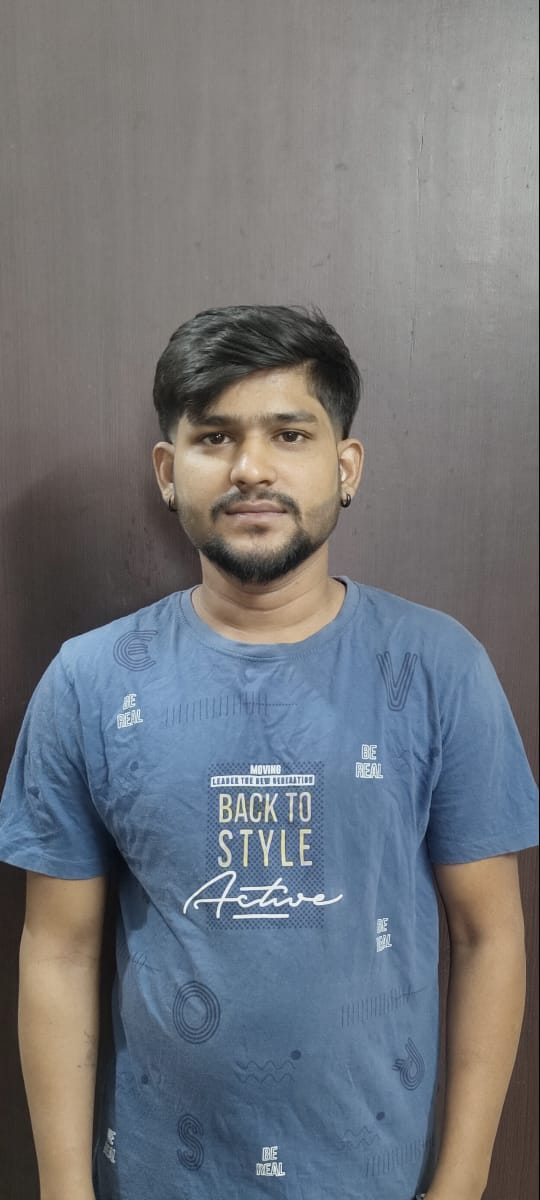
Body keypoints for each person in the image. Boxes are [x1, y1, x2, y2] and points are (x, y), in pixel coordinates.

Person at [0, 305, 537, 1200]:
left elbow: (489, 936)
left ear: (345, 466)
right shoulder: (89, 682)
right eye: (215, 437)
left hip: (377, 1178)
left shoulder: (438, 669)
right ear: (168, 472)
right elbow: (58, 952)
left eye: (290, 434)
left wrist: (462, 1183)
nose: (251, 468)